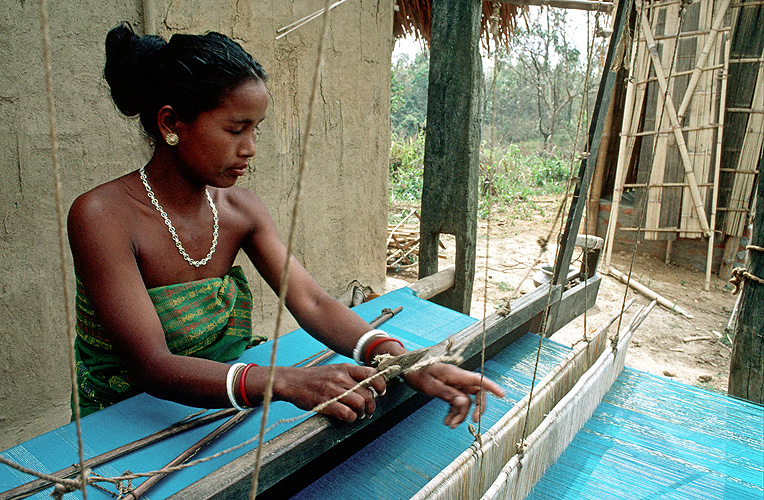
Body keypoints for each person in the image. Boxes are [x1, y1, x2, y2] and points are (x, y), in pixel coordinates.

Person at [68, 22, 505, 427]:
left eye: (256, 129)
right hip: (124, 422)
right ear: (170, 123)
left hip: (224, 407)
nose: (251, 148)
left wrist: (400, 359)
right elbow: (154, 366)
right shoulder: (102, 216)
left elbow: (312, 302)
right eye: (236, 129)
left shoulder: (240, 211)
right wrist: (286, 382)